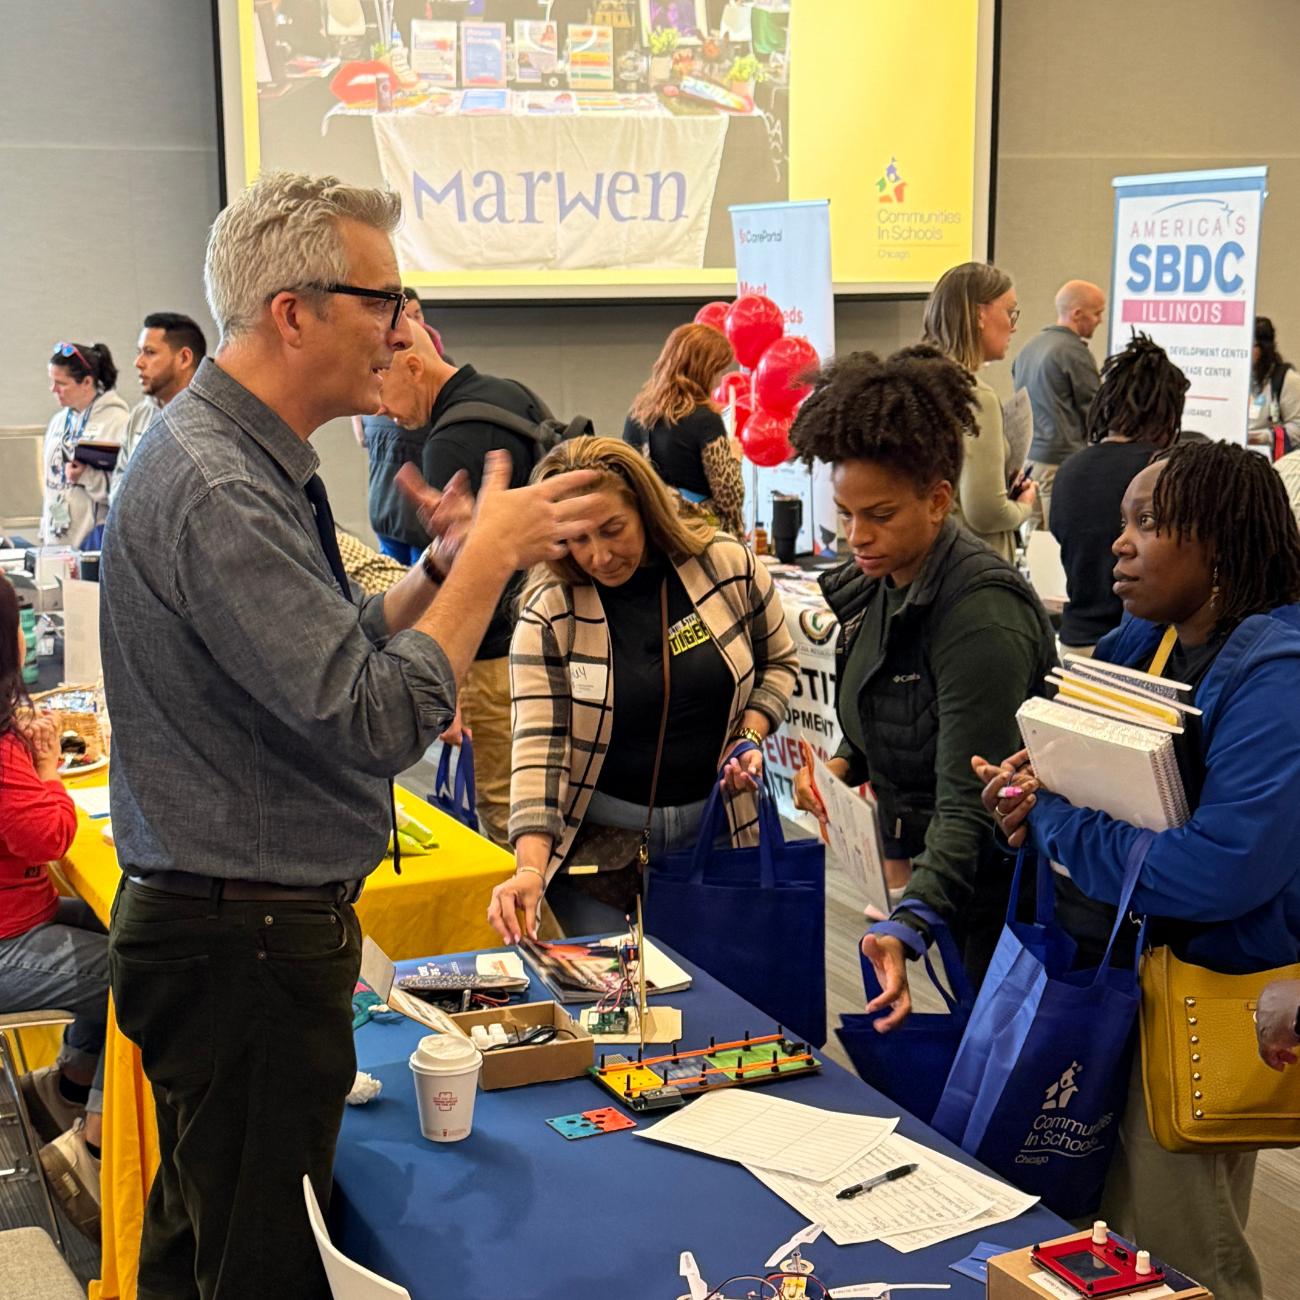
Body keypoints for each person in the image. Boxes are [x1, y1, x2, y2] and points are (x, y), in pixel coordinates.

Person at [101, 171, 599, 1300]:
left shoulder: (233, 456)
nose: (404, 327)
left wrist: (431, 572)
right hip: (245, 945)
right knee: (260, 1263)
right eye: (385, 298)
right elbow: (371, 716)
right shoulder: (220, 480)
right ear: (294, 311)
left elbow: (315, 646)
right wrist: (483, 570)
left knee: (204, 1236)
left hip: (234, 928)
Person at [979, 439, 1300, 1300]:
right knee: (1105, 1235)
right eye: (1123, 520)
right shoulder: (1143, 641)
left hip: (1198, 999)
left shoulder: (1279, 677)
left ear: (1222, 543)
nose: (1119, 542)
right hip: (1107, 979)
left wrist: (1057, 824)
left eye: (1149, 523)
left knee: (1183, 1247)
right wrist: (1027, 795)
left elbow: (1220, 872)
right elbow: (1066, 769)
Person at [786, 347, 1057, 1013]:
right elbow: (885, 706)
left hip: (998, 897)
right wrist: (843, 766)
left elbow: (972, 800)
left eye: (878, 515)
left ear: (939, 501)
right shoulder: (885, 582)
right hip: (951, 886)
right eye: (845, 513)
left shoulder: (980, 616)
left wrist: (912, 921)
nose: (855, 535)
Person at [487, 437, 797, 941]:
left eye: (613, 530)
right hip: (599, 854)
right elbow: (538, 754)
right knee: (613, 1005)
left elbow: (778, 662)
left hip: (720, 831)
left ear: (647, 510)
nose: (600, 555)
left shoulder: (726, 565)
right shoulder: (549, 614)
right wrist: (528, 869)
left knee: (721, 1001)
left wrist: (751, 734)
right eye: (577, 539)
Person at [378, 324, 559, 846]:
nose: (381, 410)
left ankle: (531, 929)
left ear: (414, 366)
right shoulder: (511, 394)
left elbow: (462, 576)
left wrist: (448, 683)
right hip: (551, 633)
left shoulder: (449, 442)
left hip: (494, 656)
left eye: (381, 385)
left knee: (508, 820)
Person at [0, 576, 103, 1241]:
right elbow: (44, 835)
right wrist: (46, 772)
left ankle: (64, 1085)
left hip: (21, 913)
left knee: (116, 922)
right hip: (7, 942)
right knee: (146, 964)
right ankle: (90, 1147)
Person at [1050, 334, 1187, 656]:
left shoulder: (1068, 470)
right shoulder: (1160, 473)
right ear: (1168, 410)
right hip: (1137, 647)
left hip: (1072, 643)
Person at [922, 263, 1035, 561]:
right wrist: (1025, 505)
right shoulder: (973, 396)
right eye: (1009, 312)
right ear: (979, 314)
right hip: (968, 570)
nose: (1013, 326)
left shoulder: (914, 381)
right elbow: (985, 512)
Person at [623, 323, 746, 536]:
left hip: (653, 536)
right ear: (703, 370)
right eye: (719, 372)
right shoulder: (706, 419)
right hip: (699, 538)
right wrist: (734, 458)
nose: (718, 382)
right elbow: (730, 500)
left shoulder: (636, 416)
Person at [1012, 279, 1105, 529]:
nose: (1100, 320)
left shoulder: (1028, 349)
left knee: (1030, 544)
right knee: (1058, 543)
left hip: (1028, 462)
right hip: (1061, 464)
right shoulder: (1074, 353)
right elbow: (1096, 412)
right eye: (1097, 313)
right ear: (1077, 314)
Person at [42, 343, 130, 549]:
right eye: (52, 381)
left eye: (61, 383)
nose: (53, 390)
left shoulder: (119, 422)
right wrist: (45, 527)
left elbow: (128, 492)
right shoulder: (58, 421)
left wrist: (87, 477)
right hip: (58, 539)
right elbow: (50, 483)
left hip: (95, 541)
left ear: (87, 382)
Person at [117, 312, 208, 504]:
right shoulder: (140, 415)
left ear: (184, 358)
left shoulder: (211, 417)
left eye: (150, 352)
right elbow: (120, 477)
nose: (138, 362)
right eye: (139, 352)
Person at [1248, 316, 1300, 458]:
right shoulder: (1235, 378)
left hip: (1269, 458)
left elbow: (1297, 428)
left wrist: (1263, 438)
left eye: (1250, 345)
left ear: (1264, 348)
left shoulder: (1286, 380)